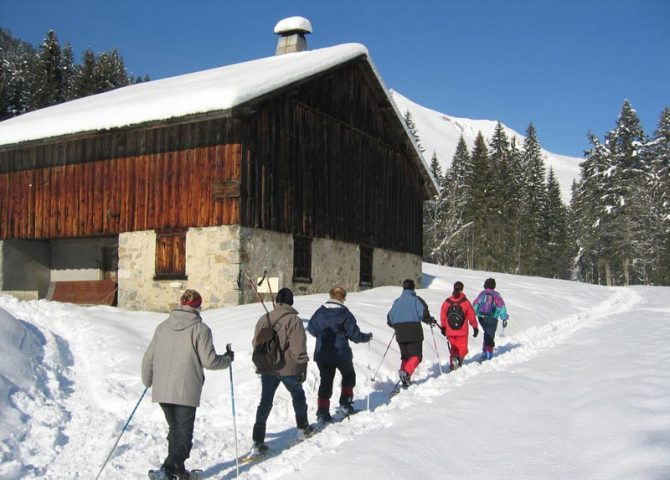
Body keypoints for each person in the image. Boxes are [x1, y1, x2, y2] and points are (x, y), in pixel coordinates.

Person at [142, 289, 233, 480]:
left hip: (162, 389)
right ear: (198, 306)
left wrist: (147, 379)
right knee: (183, 436)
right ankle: (167, 470)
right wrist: (227, 359)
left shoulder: (163, 326)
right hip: (185, 389)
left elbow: (148, 357)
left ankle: (179, 473)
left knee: (176, 430)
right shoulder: (201, 329)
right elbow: (209, 361)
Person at [251, 287, 312, 454]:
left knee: (265, 402)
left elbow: (256, 343)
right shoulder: (293, 320)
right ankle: (303, 428)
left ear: (277, 301)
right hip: (288, 368)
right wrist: (302, 365)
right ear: (291, 302)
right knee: (298, 396)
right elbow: (298, 347)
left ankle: (257, 439)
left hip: (267, 368)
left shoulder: (264, 318)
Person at [307, 286, 372, 422]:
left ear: (331, 295)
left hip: (323, 352)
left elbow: (311, 328)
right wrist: (366, 337)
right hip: (341, 352)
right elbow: (354, 335)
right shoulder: (345, 313)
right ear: (343, 298)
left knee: (326, 380)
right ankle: (345, 404)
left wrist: (321, 336)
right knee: (349, 375)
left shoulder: (320, 312)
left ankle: (323, 411)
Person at [386, 279, 435, 388]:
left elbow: (390, 319)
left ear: (403, 288)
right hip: (414, 331)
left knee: (405, 356)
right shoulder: (416, 299)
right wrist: (430, 320)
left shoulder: (397, 301)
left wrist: (396, 325)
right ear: (413, 288)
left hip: (400, 332)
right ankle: (406, 373)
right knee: (416, 356)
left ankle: (404, 374)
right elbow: (424, 314)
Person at [439, 281, 479, 370]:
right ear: (462, 290)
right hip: (462, 331)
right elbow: (471, 316)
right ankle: (458, 362)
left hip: (450, 331)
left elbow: (443, 315)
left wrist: (443, 327)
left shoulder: (447, 302)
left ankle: (453, 362)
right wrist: (475, 327)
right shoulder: (465, 302)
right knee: (462, 349)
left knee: (454, 348)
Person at [472, 278, 509, 360]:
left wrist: (472, 314)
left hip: (481, 317)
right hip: (492, 318)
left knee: (486, 333)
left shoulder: (482, 294)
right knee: (490, 335)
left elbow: (476, 304)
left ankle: (485, 350)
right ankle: (489, 352)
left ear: (485, 285)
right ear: (494, 286)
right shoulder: (496, 295)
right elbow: (501, 307)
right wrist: (504, 318)